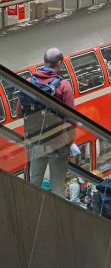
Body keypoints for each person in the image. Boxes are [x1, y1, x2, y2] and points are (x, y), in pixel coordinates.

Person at [21, 48, 75, 198]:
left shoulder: (28, 82)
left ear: (44, 61)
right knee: (57, 187)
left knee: (34, 182)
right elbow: (71, 119)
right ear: (59, 64)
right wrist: (69, 142)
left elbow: (19, 112)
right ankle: (57, 219)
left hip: (36, 141)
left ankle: (31, 214)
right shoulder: (64, 85)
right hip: (58, 143)